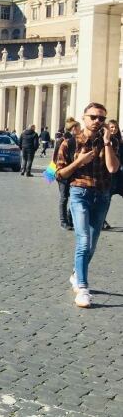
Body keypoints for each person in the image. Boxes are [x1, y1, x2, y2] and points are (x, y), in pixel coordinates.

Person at [54, 102, 120, 308]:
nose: (98, 122)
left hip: (102, 195)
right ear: (84, 117)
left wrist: (108, 143)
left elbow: (112, 168)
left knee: (92, 243)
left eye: (102, 118)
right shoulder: (69, 143)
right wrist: (78, 162)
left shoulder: (110, 141)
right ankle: (82, 287)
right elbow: (59, 173)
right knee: (83, 240)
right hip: (79, 193)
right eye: (93, 117)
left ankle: (76, 273)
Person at [55, 118, 80, 230]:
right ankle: (63, 221)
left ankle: (70, 219)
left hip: (74, 173)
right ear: (74, 128)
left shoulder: (78, 140)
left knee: (74, 197)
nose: (80, 130)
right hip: (63, 172)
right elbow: (56, 156)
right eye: (79, 128)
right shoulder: (63, 140)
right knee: (64, 197)